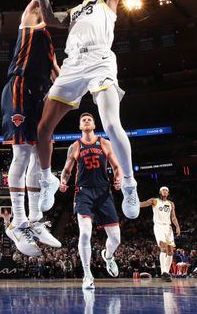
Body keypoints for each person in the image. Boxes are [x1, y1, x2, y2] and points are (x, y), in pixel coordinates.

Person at [30, 0, 141, 221]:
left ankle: (130, 185)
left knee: (111, 124)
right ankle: (47, 179)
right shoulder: (75, 11)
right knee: (42, 129)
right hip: (73, 66)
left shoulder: (109, 1)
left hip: (101, 61)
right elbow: (48, 17)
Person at [2, 0, 75, 256]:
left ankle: (33, 219)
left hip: (37, 94)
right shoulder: (30, 17)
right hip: (18, 86)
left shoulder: (49, 45)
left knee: (33, 152)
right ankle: (17, 222)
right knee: (20, 153)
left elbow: (61, 76)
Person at [58, 113, 123, 289]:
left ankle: (108, 256)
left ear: (94, 125)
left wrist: (119, 179)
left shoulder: (104, 143)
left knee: (116, 238)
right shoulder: (74, 146)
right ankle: (87, 275)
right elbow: (66, 170)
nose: (86, 121)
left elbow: (117, 167)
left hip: (103, 193)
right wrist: (63, 181)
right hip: (83, 193)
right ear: (80, 126)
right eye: (83, 120)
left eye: (89, 120)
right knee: (85, 233)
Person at [139, 186, 181, 282]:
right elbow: (143, 204)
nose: (165, 191)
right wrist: (133, 204)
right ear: (160, 192)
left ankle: (165, 272)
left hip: (168, 227)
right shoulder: (154, 201)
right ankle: (164, 272)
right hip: (158, 226)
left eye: (167, 190)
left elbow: (173, 217)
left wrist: (177, 226)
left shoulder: (171, 204)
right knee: (163, 247)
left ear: (168, 193)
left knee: (170, 250)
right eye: (163, 190)